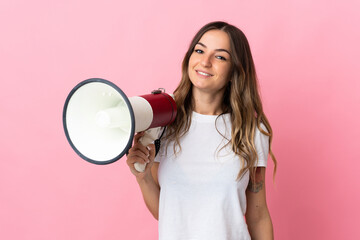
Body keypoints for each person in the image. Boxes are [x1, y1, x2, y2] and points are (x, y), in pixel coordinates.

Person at [126, 21, 277, 240]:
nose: (204, 62)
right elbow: (168, 214)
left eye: (220, 56)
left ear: (235, 69)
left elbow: (258, 215)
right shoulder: (164, 122)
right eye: (199, 50)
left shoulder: (250, 129)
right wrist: (143, 178)